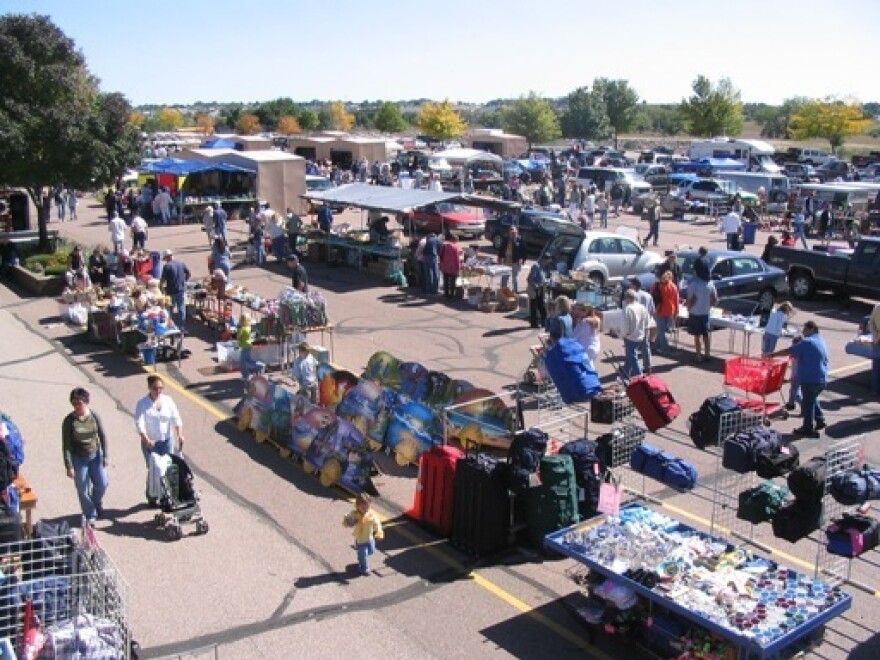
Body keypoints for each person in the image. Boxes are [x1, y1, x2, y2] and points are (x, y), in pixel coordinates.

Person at [765, 320, 828, 438]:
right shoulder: (820, 340)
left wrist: (772, 355)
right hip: (821, 378)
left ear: (811, 329)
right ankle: (820, 419)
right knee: (812, 399)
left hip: (810, 378)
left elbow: (790, 350)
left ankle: (807, 428)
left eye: (805, 330)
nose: (803, 332)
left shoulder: (807, 342)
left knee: (808, 403)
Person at [134, 375, 185, 506]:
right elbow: (140, 424)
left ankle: (166, 497)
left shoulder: (168, 401)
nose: (158, 391)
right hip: (151, 443)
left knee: (168, 469)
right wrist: (146, 439)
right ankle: (151, 496)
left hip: (167, 441)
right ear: (149, 388)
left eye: (161, 388)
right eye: (155, 388)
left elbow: (176, 418)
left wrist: (179, 434)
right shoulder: (143, 404)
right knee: (155, 469)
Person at [62, 387, 109, 522]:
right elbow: (66, 445)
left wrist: (105, 456)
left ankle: (96, 502)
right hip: (79, 458)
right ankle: (90, 514)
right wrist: (69, 466)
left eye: (79, 403)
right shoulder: (69, 421)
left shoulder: (94, 416)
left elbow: (102, 435)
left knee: (102, 483)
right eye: (74, 404)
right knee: (82, 488)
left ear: (86, 402)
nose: (77, 406)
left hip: (95, 455)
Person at [686, 249, 719, 363]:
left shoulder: (693, 283)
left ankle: (698, 355)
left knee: (697, 336)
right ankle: (708, 354)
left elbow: (690, 298)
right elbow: (715, 299)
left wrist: (688, 307)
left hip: (695, 312)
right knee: (706, 334)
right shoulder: (710, 283)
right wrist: (709, 306)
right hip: (706, 312)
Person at [343, 493, 384, 577]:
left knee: (372, 551)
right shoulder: (354, 514)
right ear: (357, 506)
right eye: (363, 507)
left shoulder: (371, 515)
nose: (365, 509)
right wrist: (347, 521)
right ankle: (364, 569)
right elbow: (346, 520)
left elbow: (377, 524)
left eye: (367, 507)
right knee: (364, 554)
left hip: (369, 539)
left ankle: (361, 557)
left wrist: (379, 533)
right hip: (360, 540)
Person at [621, 289, 651, 378]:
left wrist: (623, 334)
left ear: (627, 298)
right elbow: (647, 321)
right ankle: (627, 371)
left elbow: (625, 324)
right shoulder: (642, 307)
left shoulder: (628, 309)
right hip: (640, 334)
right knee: (631, 355)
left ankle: (639, 375)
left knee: (632, 356)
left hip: (631, 336)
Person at [160, 249, 191, 328]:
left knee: (170, 309)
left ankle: (170, 325)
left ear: (166, 257)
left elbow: (162, 280)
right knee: (181, 308)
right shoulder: (181, 263)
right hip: (181, 289)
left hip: (171, 290)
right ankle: (181, 327)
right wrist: (184, 281)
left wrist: (161, 289)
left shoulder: (167, 266)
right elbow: (188, 273)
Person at [651, 270, 679, 355]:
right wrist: (677, 312)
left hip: (659, 310)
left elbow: (651, 295)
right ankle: (661, 347)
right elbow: (676, 300)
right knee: (664, 331)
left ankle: (660, 347)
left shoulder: (657, 286)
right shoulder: (673, 287)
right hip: (670, 310)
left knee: (661, 330)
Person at [498, 226, 526, 293]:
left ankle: (515, 292)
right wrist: (500, 258)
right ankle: (503, 291)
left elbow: (524, 251)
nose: (513, 233)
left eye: (514, 231)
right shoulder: (505, 239)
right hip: (506, 262)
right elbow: (501, 249)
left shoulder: (520, 240)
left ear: (517, 232)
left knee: (515, 278)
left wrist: (523, 259)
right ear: (509, 232)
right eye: (511, 231)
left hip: (515, 262)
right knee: (504, 277)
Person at [237, 313, 264, 381]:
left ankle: (246, 376)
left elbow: (238, 337)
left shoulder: (243, 329)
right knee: (249, 360)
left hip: (245, 346)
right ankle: (260, 365)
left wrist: (238, 329)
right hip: (249, 345)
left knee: (242, 362)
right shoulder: (249, 327)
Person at [527, 255, 552, 328]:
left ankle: (543, 322)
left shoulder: (544, 266)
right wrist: (536, 287)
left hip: (541, 288)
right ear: (545, 259)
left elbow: (544, 276)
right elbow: (530, 279)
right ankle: (534, 323)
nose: (549, 262)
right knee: (534, 307)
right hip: (535, 289)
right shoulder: (536, 266)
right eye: (548, 260)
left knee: (541, 306)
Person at [439, 234, 462, 299]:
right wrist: (458, 267)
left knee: (446, 280)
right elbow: (457, 258)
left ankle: (446, 293)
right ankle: (451, 294)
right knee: (453, 281)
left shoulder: (445, 246)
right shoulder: (455, 247)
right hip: (452, 267)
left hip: (445, 266)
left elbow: (441, 255)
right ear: (455, 240)